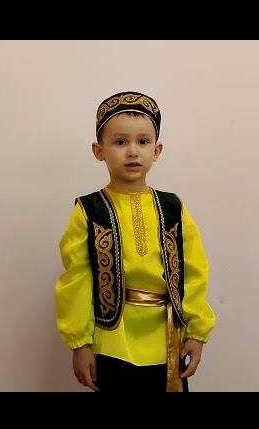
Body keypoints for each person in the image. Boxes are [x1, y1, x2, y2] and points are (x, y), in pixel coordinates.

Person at [54, 91, 215, 392]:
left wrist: (196, 331)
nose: (132, 152)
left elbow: (194, 271)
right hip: (112, 338)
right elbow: (76, 278)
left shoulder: (173, 208)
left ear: (157, 150)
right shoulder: (90, 210)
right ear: (99, 150)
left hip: (167, 338)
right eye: (120, 142)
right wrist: (80, 343)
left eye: (142, 142)